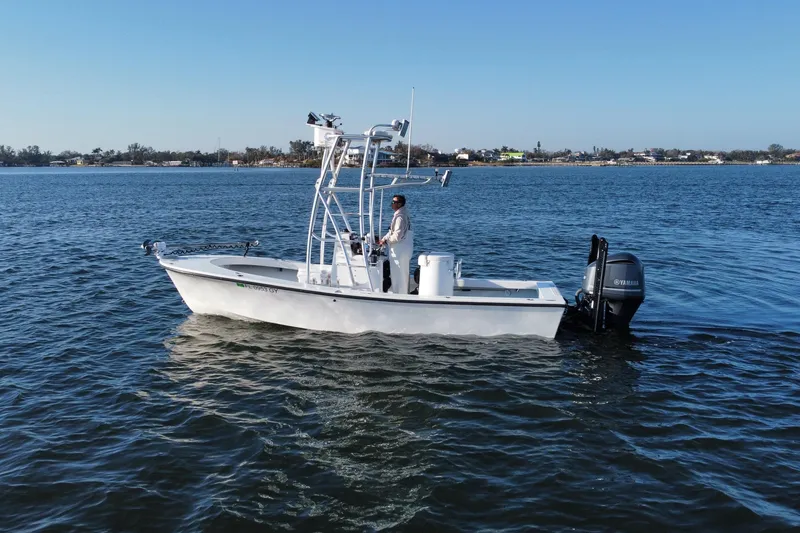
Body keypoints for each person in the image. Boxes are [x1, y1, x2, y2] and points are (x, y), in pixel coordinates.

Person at [378, 194, 413, 294]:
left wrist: (386, 241)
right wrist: (384, 238)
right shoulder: (402, 215)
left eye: (394, 202)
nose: (392, 204)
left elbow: (397, 236)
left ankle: (399, 295)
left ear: (400, 204)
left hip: (399, 251)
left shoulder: (400, 218)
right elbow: (392, 232)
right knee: (401, 274)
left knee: (398, 275)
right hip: (403, 249)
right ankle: (401, 293)